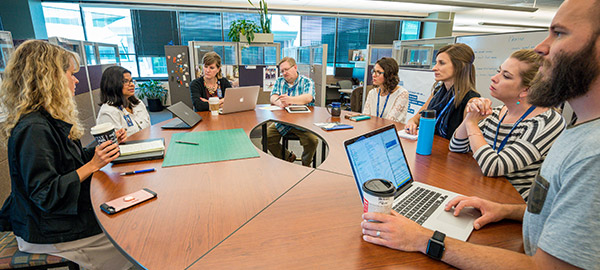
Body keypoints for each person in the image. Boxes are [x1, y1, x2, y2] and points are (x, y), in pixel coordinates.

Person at [360, 0, 600, 268]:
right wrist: (507, 210)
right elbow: (458, 146)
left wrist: (424, 239)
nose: (541, 47)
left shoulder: (590, 153)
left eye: (559, 33)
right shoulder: (580, 133)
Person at [0, 40, 132, 269]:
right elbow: (45, 194)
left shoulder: (47, 120)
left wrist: (102, 149)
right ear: (50, 78)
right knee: (129, 236)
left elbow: (70, 162)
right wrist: (92, 165)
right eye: (71, 74)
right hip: (44, 231)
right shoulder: (34, 129)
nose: (76, 80)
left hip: (52, 221)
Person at [449, 50, 565, 201]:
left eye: (506, 76)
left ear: (526, 90)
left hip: (511, 205)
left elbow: (494, 166)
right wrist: (471, 116)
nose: (494, 78)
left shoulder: (547, 121)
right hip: (483, 192)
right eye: (499, 71)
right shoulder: (497, 112)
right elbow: (457, 147)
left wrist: (472, 124)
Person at [405, 43, 481, 139]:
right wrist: (411, 123)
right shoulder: (437, 92)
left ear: (459, 67)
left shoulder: (471, 101)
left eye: (442, 63)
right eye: (436, 63)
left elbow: (466, 142)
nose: (434, 68)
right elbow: (416, 118)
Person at [267, 57, 318, 167]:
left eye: (286, 69)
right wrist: (280, 103)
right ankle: (288, 157)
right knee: (266, 138)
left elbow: (308, 97)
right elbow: (273, 96)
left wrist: (291, 100)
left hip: (302, 123)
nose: (284, 73)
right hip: (283, 121)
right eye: (282, 71)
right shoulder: (279, 81)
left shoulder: (307, 81)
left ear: (295, 67)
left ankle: (306, 163)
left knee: (312, 140)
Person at [96, 65, 150, 137]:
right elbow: (111, 144)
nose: (132, 85)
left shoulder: (138, 103)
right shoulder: (108, 112)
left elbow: (149, 129)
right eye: (125, 81)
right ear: (113, 85)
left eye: (131, 81)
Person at [362, 57, 410, 123]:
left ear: (390, 75)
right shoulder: (372, 93)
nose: (373, 75)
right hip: (372, 130)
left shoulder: (402, 94)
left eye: (378, 72)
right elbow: (365, 118)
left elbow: (390, 121)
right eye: (373, 71)